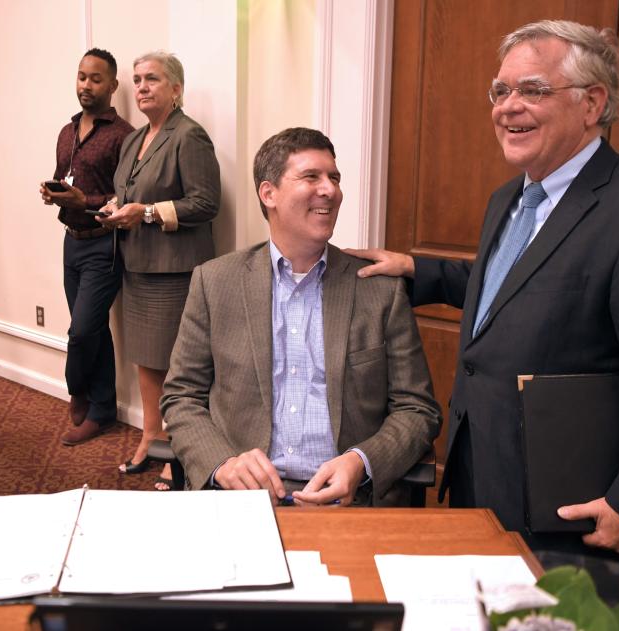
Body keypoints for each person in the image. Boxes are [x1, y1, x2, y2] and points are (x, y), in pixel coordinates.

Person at [347, 20, 619, 557]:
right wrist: (418, 269)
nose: (507, 106)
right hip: (482, 469)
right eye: (500, 91)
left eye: (532, 90)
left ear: (592, 103)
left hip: (575, 504)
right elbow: (522, 286)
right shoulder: (509, 198)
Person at [162, 127, 442, 506]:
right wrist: (222, 463)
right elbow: (182, 395)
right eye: (311, 176)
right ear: (269, 193)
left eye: (334, 178)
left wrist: (362, 462)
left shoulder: (378, 290)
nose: (330, 190)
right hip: (242, 499)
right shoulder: (215, 283)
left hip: (350, 502)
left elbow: (417, 408)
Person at [96, 51, 220, 489]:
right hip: (137, 265)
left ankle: (181, 453)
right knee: (146, 359)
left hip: (176, 271)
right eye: (137, 80)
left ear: (176, 89)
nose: (142, 87)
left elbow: (206, 204)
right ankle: (152, 436)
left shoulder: (190, 136)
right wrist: (116, 207)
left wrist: (145, 212)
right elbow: (126, 191)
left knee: (177, 366)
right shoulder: (134, 139)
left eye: (152, 79)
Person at [39, 49, 134, 446]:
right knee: (93, 330)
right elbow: (68, 177)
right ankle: (103, 410)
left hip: (104, 244)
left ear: (112, 86)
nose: (86, 85)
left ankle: (77, 387)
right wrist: (56, 193)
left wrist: (86, 202)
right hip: (71, 243)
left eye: (96, 79)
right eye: (81, 77)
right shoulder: (67, 130)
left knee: (81, 332)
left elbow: (128, 193)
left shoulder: (124, 135)